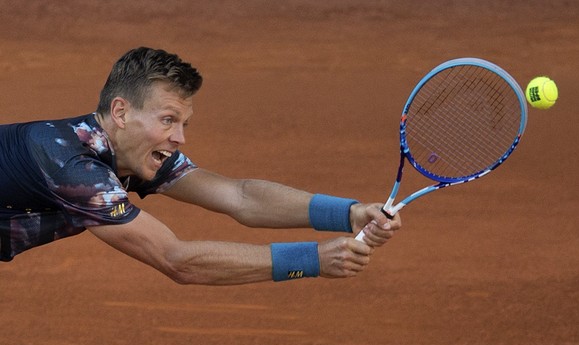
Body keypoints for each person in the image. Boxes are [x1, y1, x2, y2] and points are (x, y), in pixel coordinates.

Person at [0, 47, 401, 285]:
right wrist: (311, 259)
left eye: (183, 124)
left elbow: (239, 196)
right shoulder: (70, 164)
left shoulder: (129, 152)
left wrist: (345, 213)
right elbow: (177, 259)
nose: (179, 138)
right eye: (168, 120)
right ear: (120, 112)